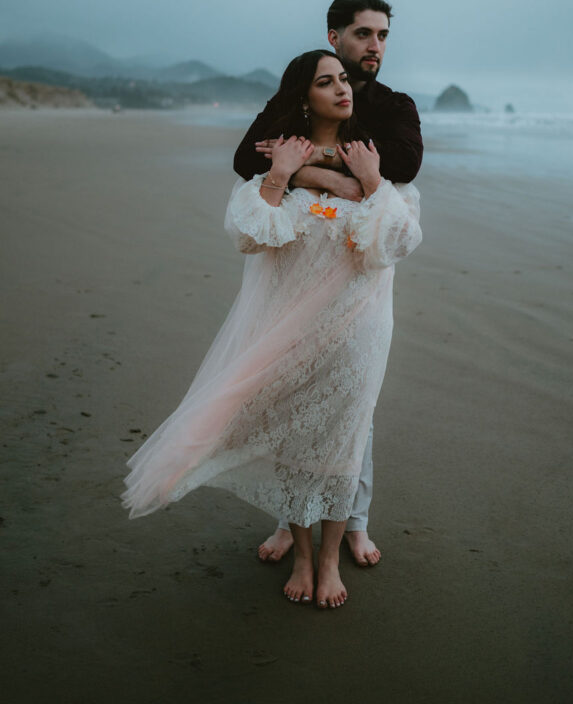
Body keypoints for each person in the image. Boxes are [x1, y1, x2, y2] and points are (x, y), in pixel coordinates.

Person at [122, 50, 422, 609]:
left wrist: (374, 181)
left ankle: (331, 559)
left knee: (344, 445)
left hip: (359, 330)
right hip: (292, 329)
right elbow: (253, 234)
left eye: (343, 81)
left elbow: (398, 243)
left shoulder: (371, 158)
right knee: (296, 439)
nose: (342, 89)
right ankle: (304, 556)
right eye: (326, 82)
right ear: (303, 96)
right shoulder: (278, 164)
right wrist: (285, 171)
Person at [234, 0, 423, 566]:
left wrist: (319, 165)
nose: (376, 46)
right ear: (334, 34)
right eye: (364, 34)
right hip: (305, 263)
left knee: (351, 399)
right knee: (298, 392)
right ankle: (292, 522)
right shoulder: (299, 90)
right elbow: (251, 157)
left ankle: (356, 522)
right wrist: (326, 173)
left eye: (383, 35)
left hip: (362, 264)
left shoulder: (394, 104)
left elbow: (405, 163)